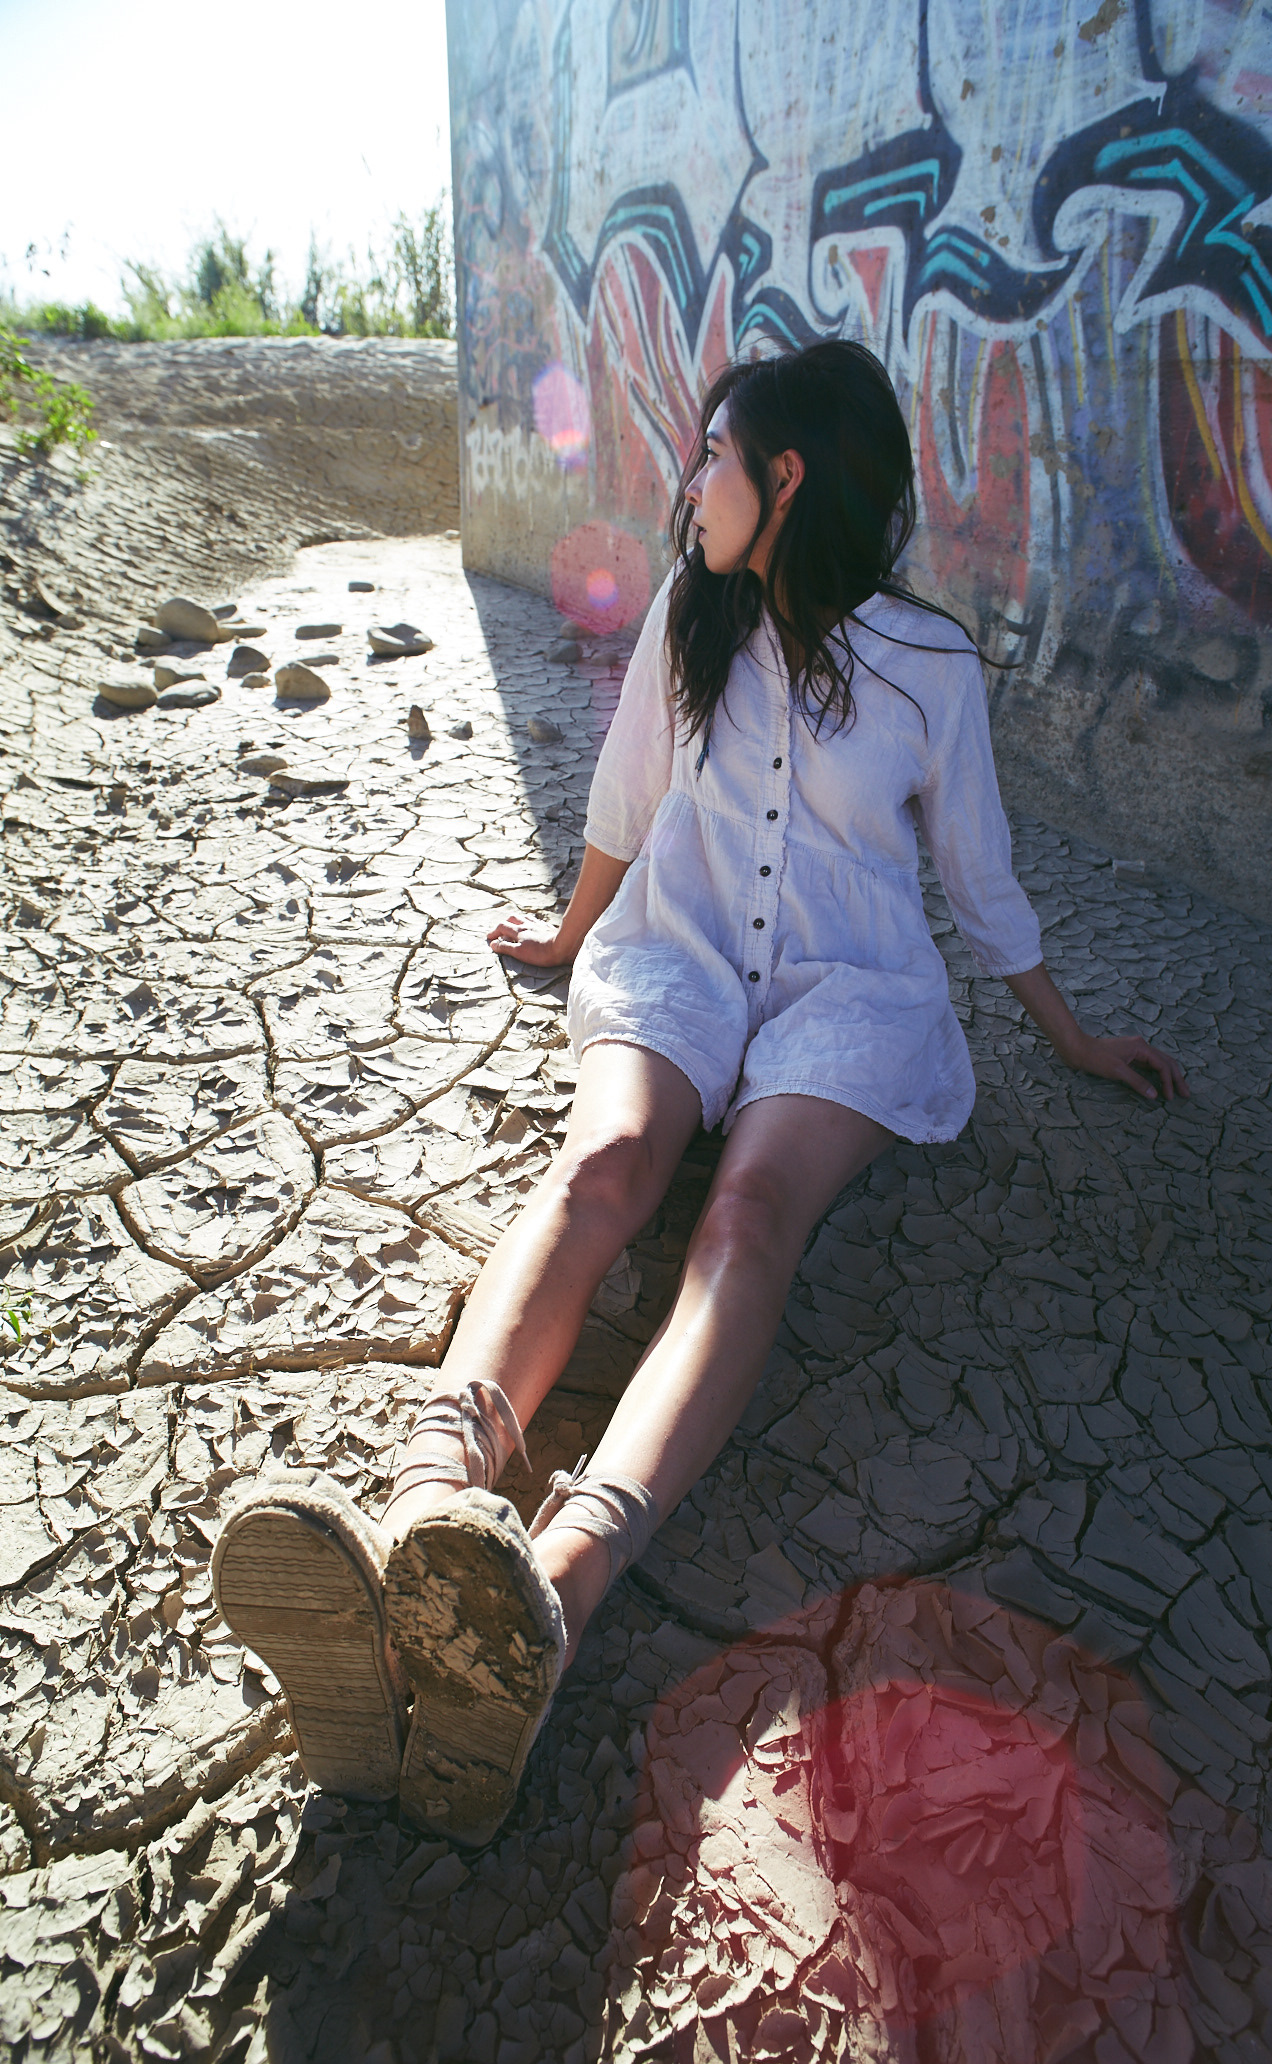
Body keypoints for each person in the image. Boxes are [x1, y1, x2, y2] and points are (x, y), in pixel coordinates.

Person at [212, 340, 1186, 1845]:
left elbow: (978, 883)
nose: (691, 482)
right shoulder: (690, 612)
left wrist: (1065, 1032)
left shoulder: (928, 665)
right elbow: (626, 802)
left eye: (713, 454)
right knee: (606, 1169)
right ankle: (414, 1514)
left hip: (847, 996)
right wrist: (568, 931)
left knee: (746, 1217)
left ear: (786, 476)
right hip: (680, 958)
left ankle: (550, 1593)